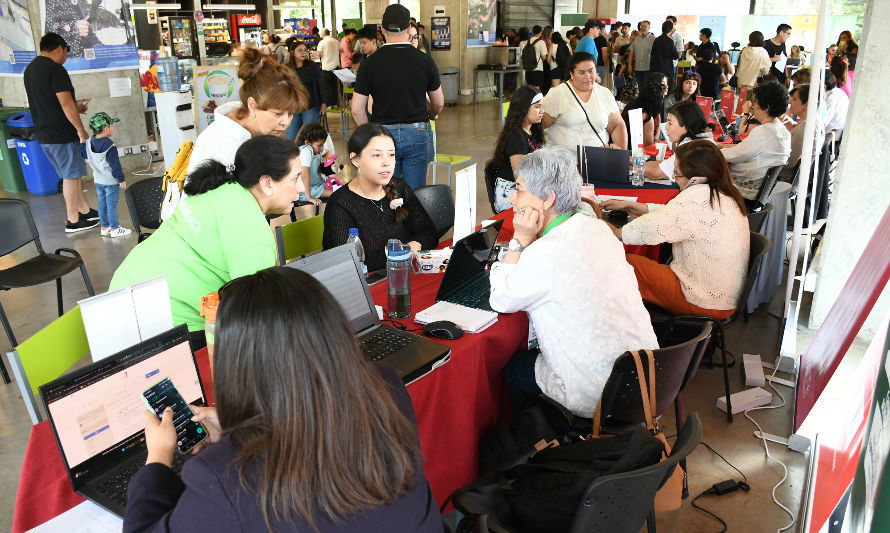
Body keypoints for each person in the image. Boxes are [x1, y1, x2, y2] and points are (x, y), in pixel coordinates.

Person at [125, 266, 441, 533]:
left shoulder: (223, 476)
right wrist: (239, 430)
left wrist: (158, 459)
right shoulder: (385, 384)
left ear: (239, 365)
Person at [489, 146, 658, 417]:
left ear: (547, 199)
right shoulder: (599, 229)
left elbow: (500, 298)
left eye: (519, 189)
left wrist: (519, 241)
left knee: (511, 369)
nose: (512, 200)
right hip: (646, 380)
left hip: (599, 395)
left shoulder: (545, 253)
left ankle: (538, 446)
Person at [110, 137, 304, 339]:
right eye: (295, 178)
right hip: (159, 324)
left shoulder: (221, 188)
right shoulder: (252, 232)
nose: (301, 188)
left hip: (120, 296)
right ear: (267, 183)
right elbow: (253, 318)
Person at [601, 140, 749, 320]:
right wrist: (634, 206)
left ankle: (618, 324)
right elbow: (678, 216)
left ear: (696, 178)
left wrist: (614, 231)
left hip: (702, 300)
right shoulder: (722, 193)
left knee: (624, 264)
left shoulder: (696, 197)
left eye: (677, 174)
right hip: (722, 298)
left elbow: (653, 227)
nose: (673, 176)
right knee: (636, 266)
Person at [352, 4, 444, 190]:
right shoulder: (424, 60)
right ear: (409, 29)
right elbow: (439, 102)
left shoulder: (369, 64)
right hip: (417, 132)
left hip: (382, 134)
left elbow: (356, 109)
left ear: (382, 31)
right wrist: (432, 114)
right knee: (414, 194)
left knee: (387, 194)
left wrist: (369, 136)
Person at [322, 124, 437, 272]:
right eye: (377, 155)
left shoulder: (399, 187)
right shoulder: (341, 203)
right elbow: (346, 262)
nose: (386, 162)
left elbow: (429, 233)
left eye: (391, 154)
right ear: (355, 159)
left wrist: (401, 251)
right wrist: (404, 251)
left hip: (403, 276)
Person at [186, 47, 307, 176]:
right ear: (252, 105)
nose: (286, 122)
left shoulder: (256, 130)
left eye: (290, 113)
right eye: (278, 113)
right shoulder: (221, 145)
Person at [23, 33, 99, 233]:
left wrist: (77, 106)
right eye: (65, 51)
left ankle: (84, 210)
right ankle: (73, 220)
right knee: (71, 176)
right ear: (59, 48)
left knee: (72, 174)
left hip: (45, 133)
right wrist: (81, 130)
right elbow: (65, 103)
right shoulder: (55, 69)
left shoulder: (30, 69)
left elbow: (51, 102)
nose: (66, 56)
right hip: (61, 133)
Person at [541, 52, 627, 151]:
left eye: (591, 71)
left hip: (598, 157)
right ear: (571, 73)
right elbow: (540, 124)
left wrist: (621, 154)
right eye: (581, 72)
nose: (588, 76)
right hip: (564, 160)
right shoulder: (557, 94)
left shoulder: (605, 93)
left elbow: (616, 125)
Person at [720, 81, 791, 201]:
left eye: (755, 102)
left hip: (747, 192)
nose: (752, 106)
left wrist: (714, 150)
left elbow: (736, 155)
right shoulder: (781, 129)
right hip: (763, 189)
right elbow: (746, 149)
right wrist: (722, 146)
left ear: (766, 107)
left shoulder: (764, 131)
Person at [486, 86, 545, 212]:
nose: (542, 111)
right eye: (537, 106)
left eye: (542, 106)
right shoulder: (515, 136)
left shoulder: (533, 130)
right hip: (512, 194)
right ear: (523, 108)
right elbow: (520, 176)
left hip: (529, 188)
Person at [81, 112, 131, 238]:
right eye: (111, 125)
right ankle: (115, 229)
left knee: (102, 204)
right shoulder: (109, 145)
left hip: (98, 180)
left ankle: (105, 227)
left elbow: (84, 154)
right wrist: (121, 179)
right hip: (110, 182)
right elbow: (115, 165)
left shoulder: (89, 142)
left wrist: (82, 143)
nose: (113, 128)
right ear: (106, 128)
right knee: (112, 205)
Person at [645, 100, 712, 180]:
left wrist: (632, 164)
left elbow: (655, 173)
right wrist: (639, 162)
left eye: (670, 123)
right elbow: (666, 164)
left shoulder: (690, 148)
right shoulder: (698, 140)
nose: (666, 127)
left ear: (686, 126)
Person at [779, 84, 825, 185]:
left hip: (783, 179)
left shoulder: (805, 129)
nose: (790, 101)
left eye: (794, 99)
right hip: (799, 179)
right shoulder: (814, 121)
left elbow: (787, 162)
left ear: (806, 105)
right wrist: (794, 125)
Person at [285, 39, 326, 141]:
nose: (303, 53)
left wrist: (324, 103)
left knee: (310, 138)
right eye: (300, 50)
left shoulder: (312, 67)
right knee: (289, 138)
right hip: (293, 108)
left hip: (310, 106)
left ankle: (310, 156)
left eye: (305, 50)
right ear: (292, 52)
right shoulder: (287, 68)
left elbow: (321, 85)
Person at [296, 122, 333, 206]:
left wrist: (325, 160)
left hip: (318, 184)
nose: (322, 147)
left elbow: (327, 152)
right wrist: (309, 197)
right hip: (306, 190)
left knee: (342, 186)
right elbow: (304, 176)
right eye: (320, 145)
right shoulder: (306, 151)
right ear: (307, 143)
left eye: (323, 144)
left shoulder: (316, 148)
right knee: (337, 193)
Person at [621, 78, 665, 147]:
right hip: (635, 153)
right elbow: (649, 147)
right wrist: (656, 139)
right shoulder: (647, 118)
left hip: (621, 148)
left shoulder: (630, 106)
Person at [650, 21, 678, 92]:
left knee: (656, 89)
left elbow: (652, 54)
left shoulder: (656, 40)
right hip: (667, 69)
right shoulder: (670, 41)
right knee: (666, 89)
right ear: (671, 29)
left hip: (656, 69)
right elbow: (675, 56)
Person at [628, 20, 655, 89]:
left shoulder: (653, 39)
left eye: (644, 26)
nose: (642, 28)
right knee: (640, 87)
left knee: (647, 87)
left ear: (649, 27)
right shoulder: (636, 39)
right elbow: (631, 52)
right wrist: (629, 65)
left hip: (648, 68)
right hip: (638, 68)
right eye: (641, 26)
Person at [317, 28, 341, 107]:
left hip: (326, 67)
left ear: (323, 34)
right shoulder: (336, 41)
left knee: (326, 86)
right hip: (336, 66)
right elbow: (342, 50)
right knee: (335, 86)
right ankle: (335, 103)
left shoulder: (322, 42)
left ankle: (329, 104)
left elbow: (318, 54)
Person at [823, 71, 849, 138]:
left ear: (823, 87)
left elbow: (822, 122)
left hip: (830, 136)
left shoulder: (832, 98)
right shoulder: (839, 92)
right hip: (833, 133)